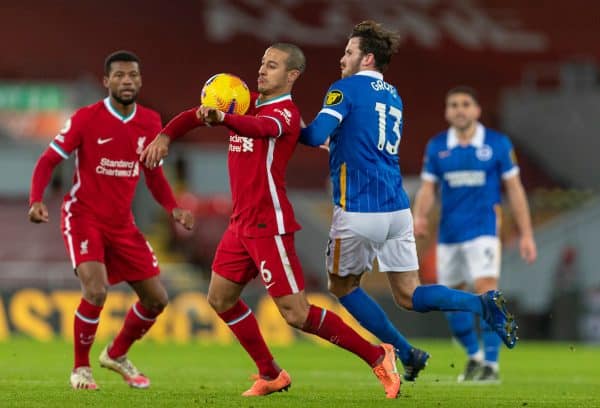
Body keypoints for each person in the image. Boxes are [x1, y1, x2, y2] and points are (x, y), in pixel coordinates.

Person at [140, 43, 401, 399]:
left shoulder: (286, 115)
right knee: (220, 298)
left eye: (273, 65)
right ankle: (271, 373)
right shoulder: (242, 98)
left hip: (269, 225)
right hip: (240, 224)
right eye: (262, 62)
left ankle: (378, 354)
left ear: (291, 75)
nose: (262, 70)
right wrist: (166, 135)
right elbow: (195, 114)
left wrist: (223, 119)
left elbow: (257, 128)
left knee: (297, 314)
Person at [300, 20, 519, 380]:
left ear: (367, 58)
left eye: (349, 52)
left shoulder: (344, 89)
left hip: (358, 208)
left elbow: (313, 136)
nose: (342, 58)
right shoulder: (393, 94)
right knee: (409, 294)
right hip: (397, 207)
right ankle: (479, 305)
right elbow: (360, 138)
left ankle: (403, 350)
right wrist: (337, 143)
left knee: (342, 286)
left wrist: (282, 122)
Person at [28, 50, 194, 390]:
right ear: (106, 82)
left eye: (132, 75)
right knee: (96, 290)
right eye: (119, 76)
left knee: (157, 299)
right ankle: (80, 369)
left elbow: (154, 175)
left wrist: (172, 207)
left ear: (140, 80)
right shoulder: (86, 119)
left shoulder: (149, 121)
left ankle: (116, 354)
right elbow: (47, 160)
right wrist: (36, 200)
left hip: (123, 225)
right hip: (83, 216)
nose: (127, 81)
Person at [413, 86, 537, 382]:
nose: (459, 109)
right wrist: (419, 216)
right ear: (446, 111)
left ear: (477, 110)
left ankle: (491, 366)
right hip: (449, 235)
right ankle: (474, 358)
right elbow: (428, 188)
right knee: (452, 301)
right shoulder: (437, 145)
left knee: (487, 293)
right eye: (453, 104)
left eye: (465, 104)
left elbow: (515, 190)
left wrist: (527, 233)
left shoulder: (497, 143)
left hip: (483, 230)